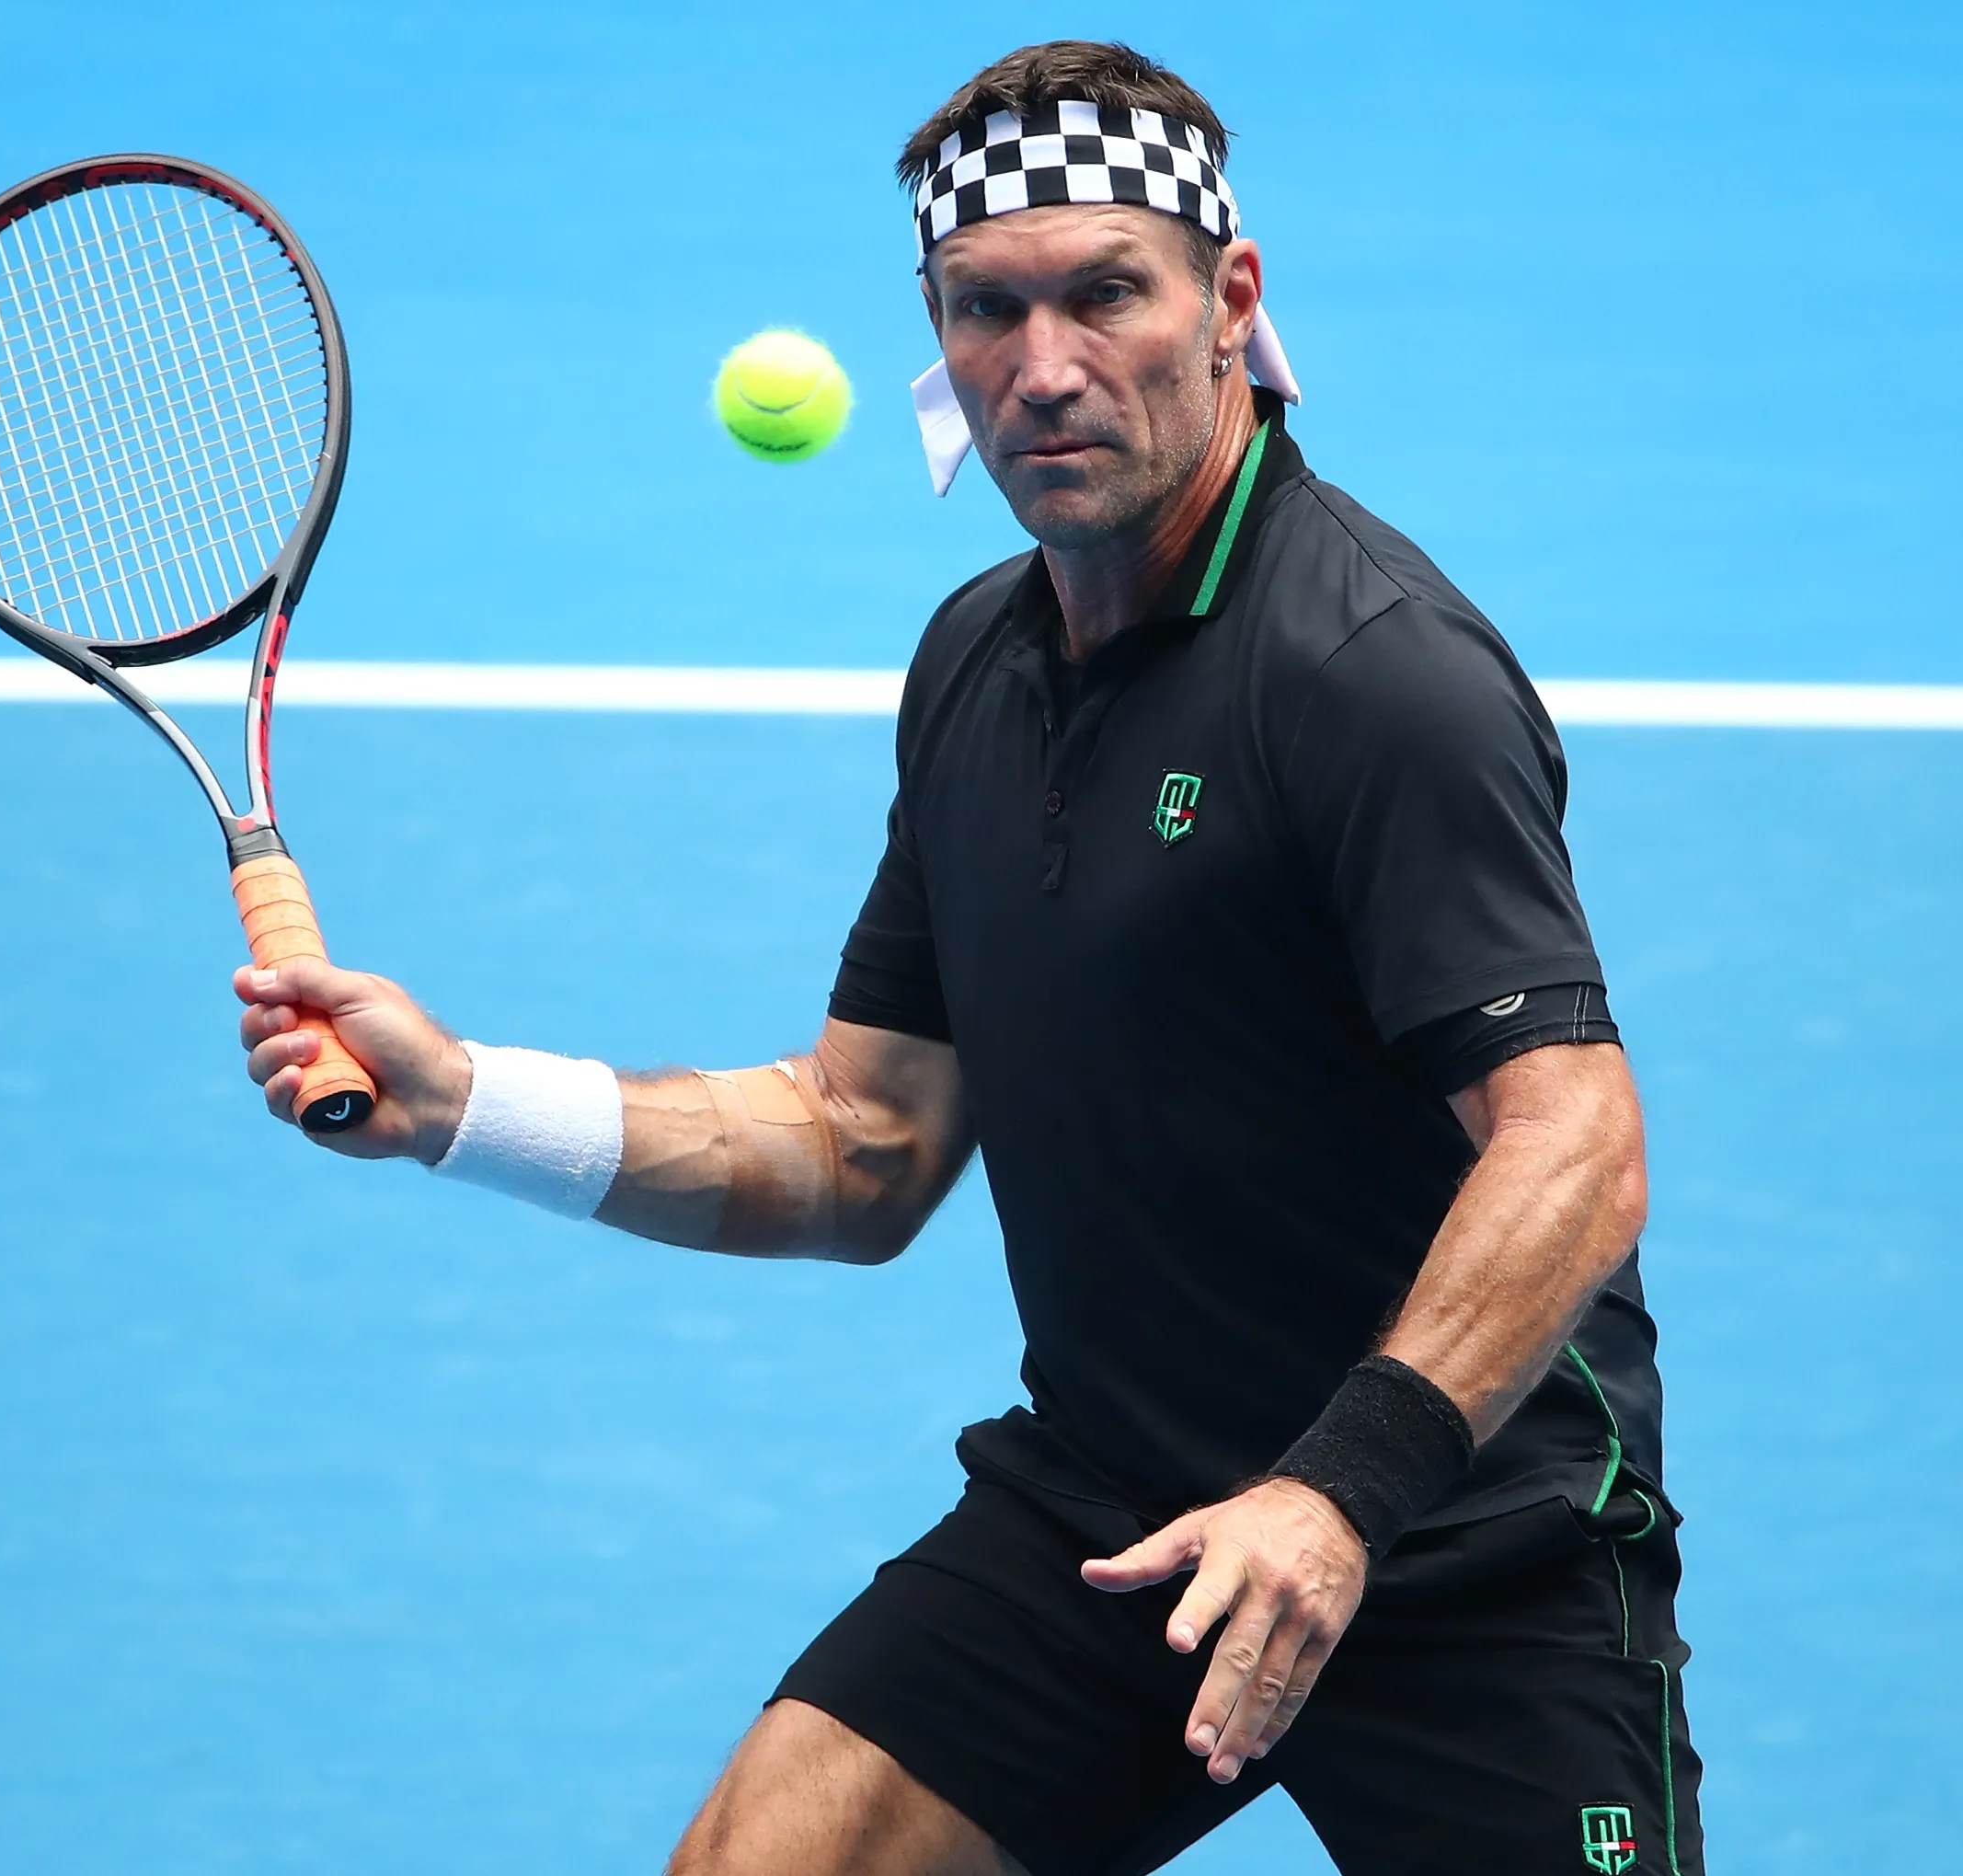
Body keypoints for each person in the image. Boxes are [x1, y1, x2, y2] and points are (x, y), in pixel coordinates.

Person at [235, 40, 1701, 1876]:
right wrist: (467, 1100)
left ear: (1230, 304)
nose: (1044, 365)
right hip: (1116, 1507)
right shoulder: (972, 669)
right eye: (983, 310)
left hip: (1459, 1545)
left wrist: (1336, 1496)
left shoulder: (1367, 677)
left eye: (1105, 294)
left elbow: (1576, 1142)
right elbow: (862, 1144)